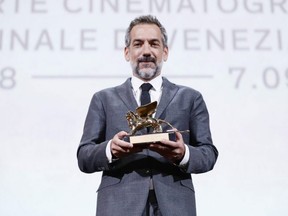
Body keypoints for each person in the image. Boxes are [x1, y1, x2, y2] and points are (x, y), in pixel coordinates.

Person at [77, 15, 218, 216]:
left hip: (175, 205)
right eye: (138, 44)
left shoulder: (191, 98)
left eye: (153, 44)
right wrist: (111, 149)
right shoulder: (103, 99)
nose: (146, 51)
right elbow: (84, 156)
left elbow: (208, 153)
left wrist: (183, 154)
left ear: (165, 52)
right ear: (127, 52)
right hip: (118, 205)